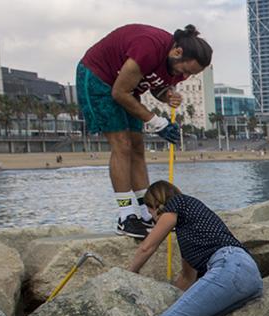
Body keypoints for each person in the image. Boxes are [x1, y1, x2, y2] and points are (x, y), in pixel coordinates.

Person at [77, 25, 212, 239]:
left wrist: (168, 95)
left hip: (127, 88)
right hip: (98, 78)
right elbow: (119, 92)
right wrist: (158, 123)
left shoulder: (177, 64)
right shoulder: (149, 47)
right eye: (185, 70)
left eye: (191, 74)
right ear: (177, 52)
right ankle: (126, 216)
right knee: (122, 145)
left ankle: (144, 210)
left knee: (138, 147)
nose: (185, 76)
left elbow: (155, 86)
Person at [127, 180, 260, 316]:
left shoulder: (178, 203)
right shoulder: (190, 231)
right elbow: (186, 279)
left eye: (149, 210)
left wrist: (129, 275)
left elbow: (147, 247)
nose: (151, 218)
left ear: (156, 204)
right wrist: (166, 306)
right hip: (247, 275)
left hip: (229, 265)